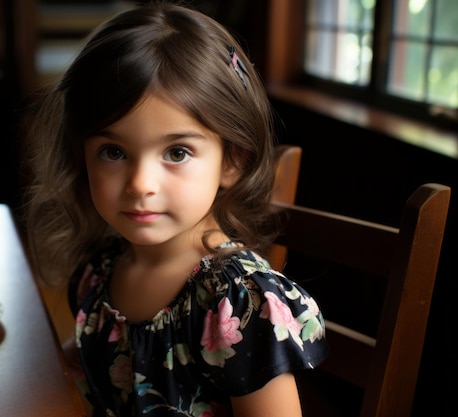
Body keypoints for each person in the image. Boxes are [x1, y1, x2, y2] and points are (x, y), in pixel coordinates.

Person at [24, 2, 329, 416]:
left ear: (232, 160)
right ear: (81, 156)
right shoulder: (100, 272)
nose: (140, 184)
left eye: (177, 151)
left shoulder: (238, 304)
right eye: (113, 151)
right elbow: (80, 367)